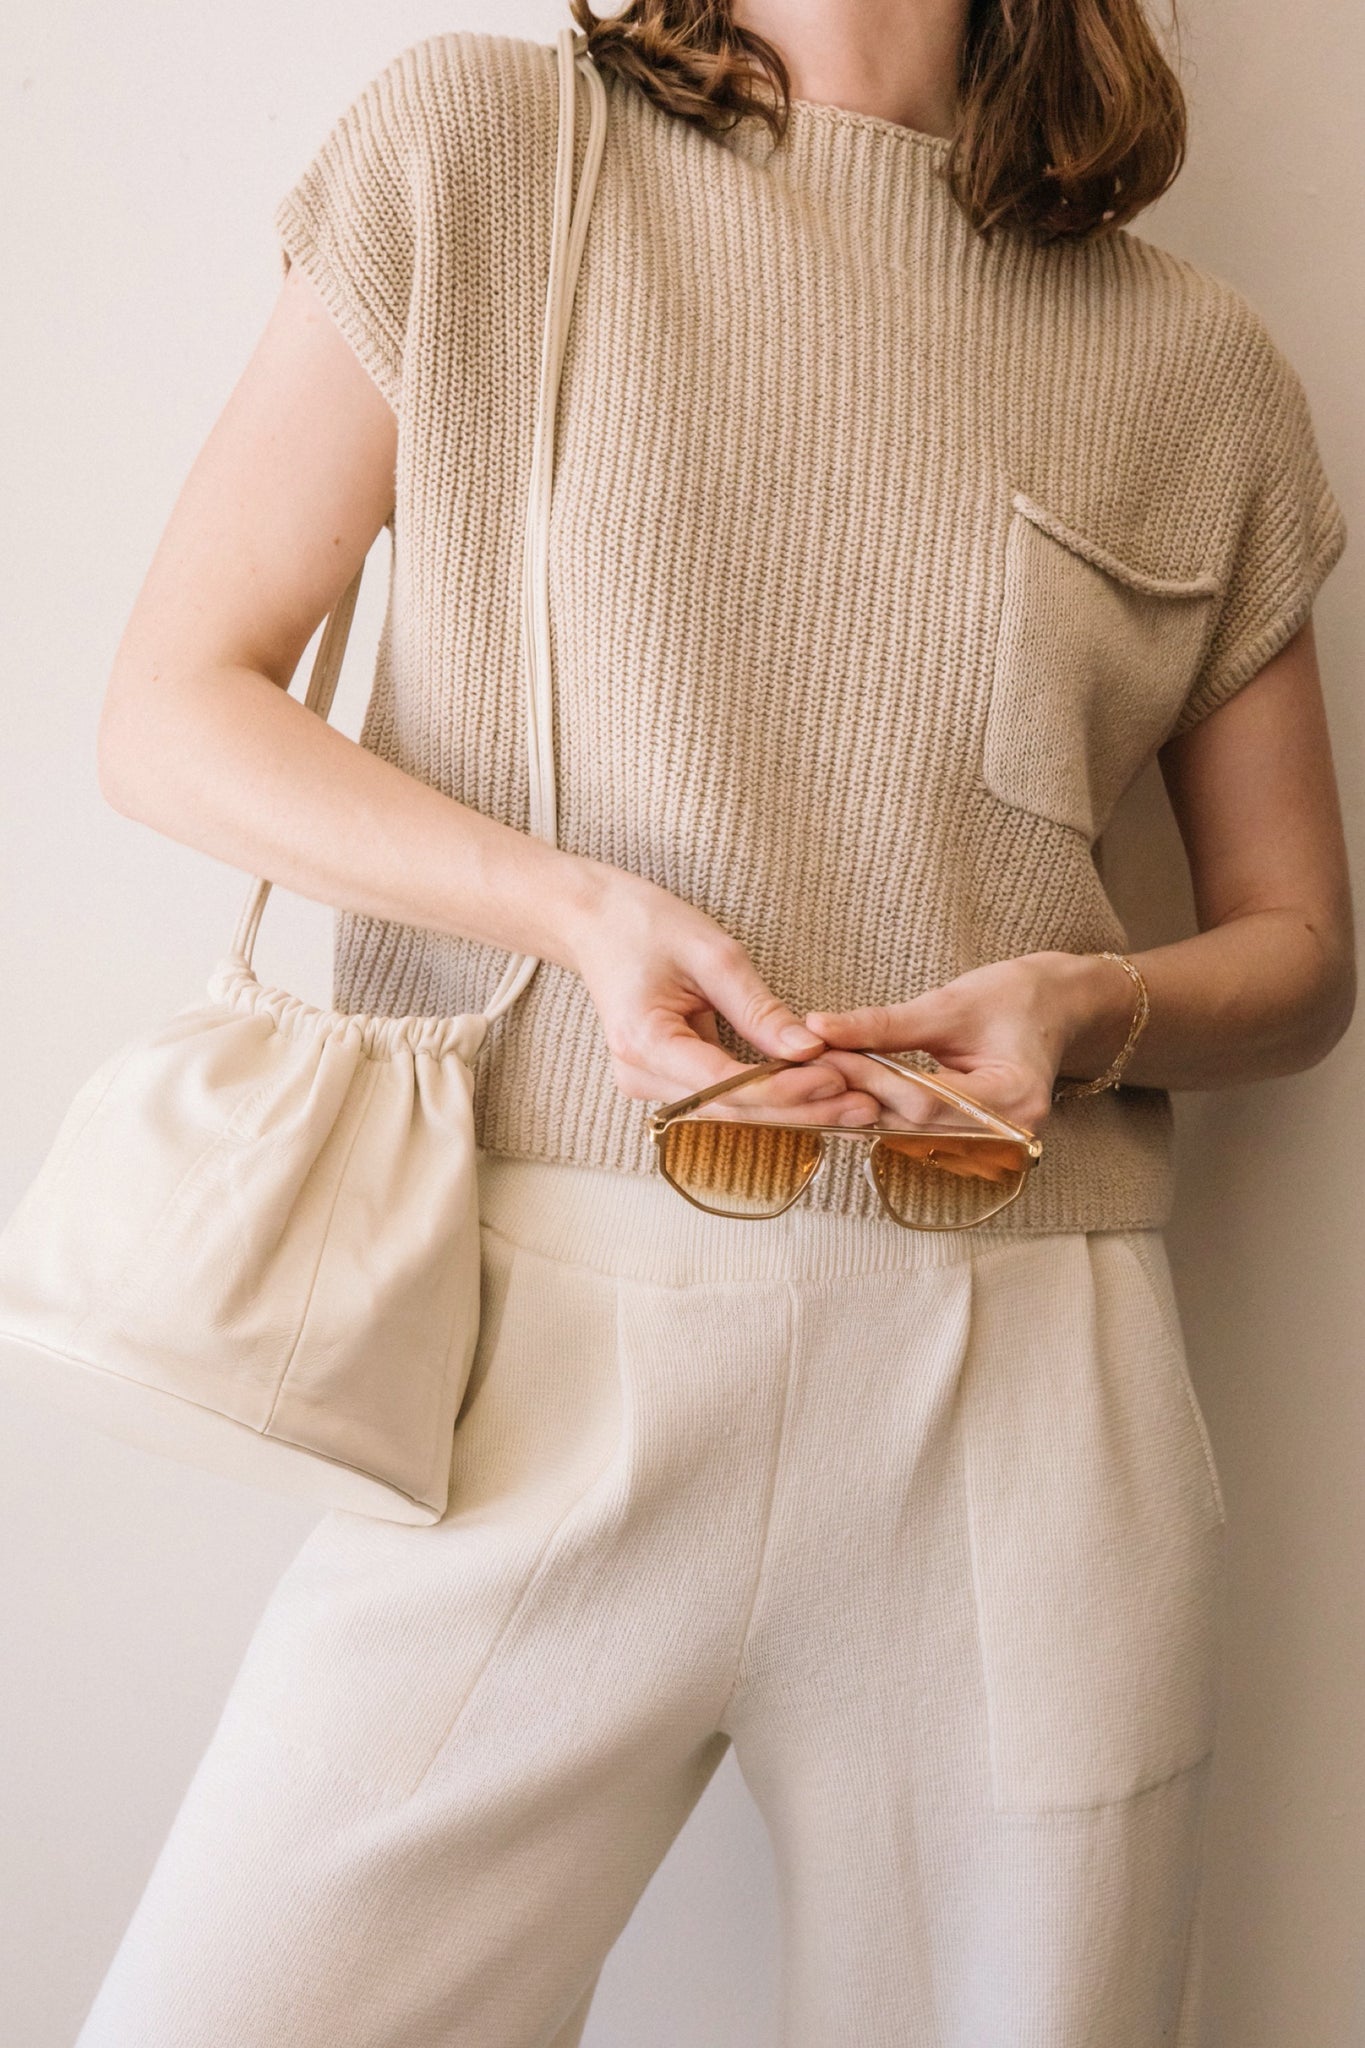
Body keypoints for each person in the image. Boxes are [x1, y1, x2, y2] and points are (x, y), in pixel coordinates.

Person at [75, 1, 1351, 2043]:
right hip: (533, 1346)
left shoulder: (1193, 366)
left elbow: (1296, 953)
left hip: (1022, 1387)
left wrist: (1086, 1004)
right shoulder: (487, 153)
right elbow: (175, 709)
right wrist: (574, 915)